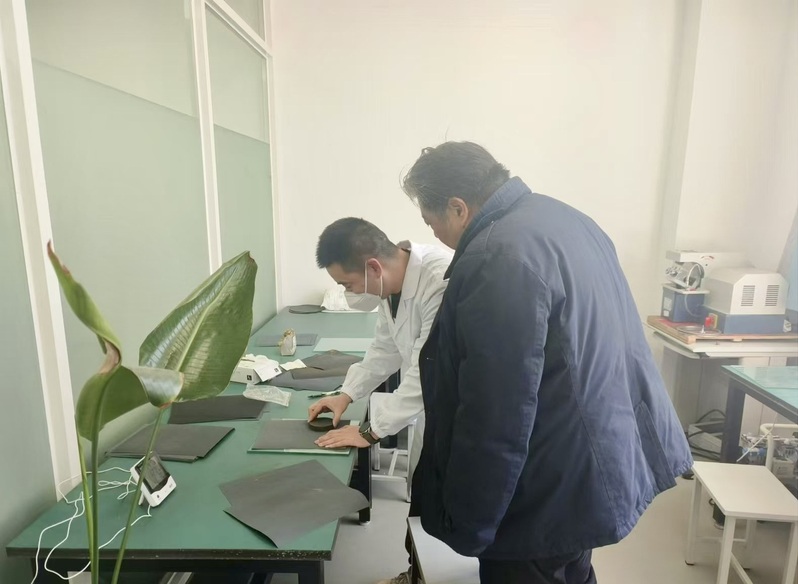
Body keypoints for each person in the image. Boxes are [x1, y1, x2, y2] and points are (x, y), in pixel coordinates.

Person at [401, 141, 693, 584]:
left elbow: (495, 410)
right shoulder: (565, 219)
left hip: (542, 483)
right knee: (570, 565)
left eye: (432, 222)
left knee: (538, 567)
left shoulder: (497, 256)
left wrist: (473, 522)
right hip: (587, 453)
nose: (436, 236)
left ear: (458, 208)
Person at [309, 217, 452, 584]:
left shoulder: (440, 280)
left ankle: (426, 576)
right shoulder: (390, 287)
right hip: (431, 413)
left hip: (458, 415)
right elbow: (384, 350)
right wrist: (345, 394)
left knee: (445, 511)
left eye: (347, 284)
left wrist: (370, 431)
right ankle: (414, 575)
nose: (348, 293)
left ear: (373, 267)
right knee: (423, 502)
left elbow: (426, 371)